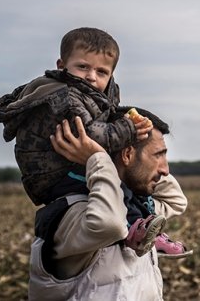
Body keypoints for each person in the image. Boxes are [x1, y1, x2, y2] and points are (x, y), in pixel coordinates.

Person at [0, 27, 185, 256]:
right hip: (53, 174)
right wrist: (126, 130)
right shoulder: (64, 97)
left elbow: (177, 202)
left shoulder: (92, 95)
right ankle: (135, 229)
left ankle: (144, 225)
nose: (91, 76)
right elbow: (90, 137)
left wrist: (138, 154)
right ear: (61, 65)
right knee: (116, 186)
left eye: (102, 72)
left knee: (124, 186)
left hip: (69, 166)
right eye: (83, 66)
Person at [28, 115, 188, 300]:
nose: (165, 170)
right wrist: (98, 158)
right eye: (158, 155)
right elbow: (110, 225)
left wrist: (120, 167)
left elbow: (175, 201)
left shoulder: (136, 207)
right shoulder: (75, 213)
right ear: (127, 155)